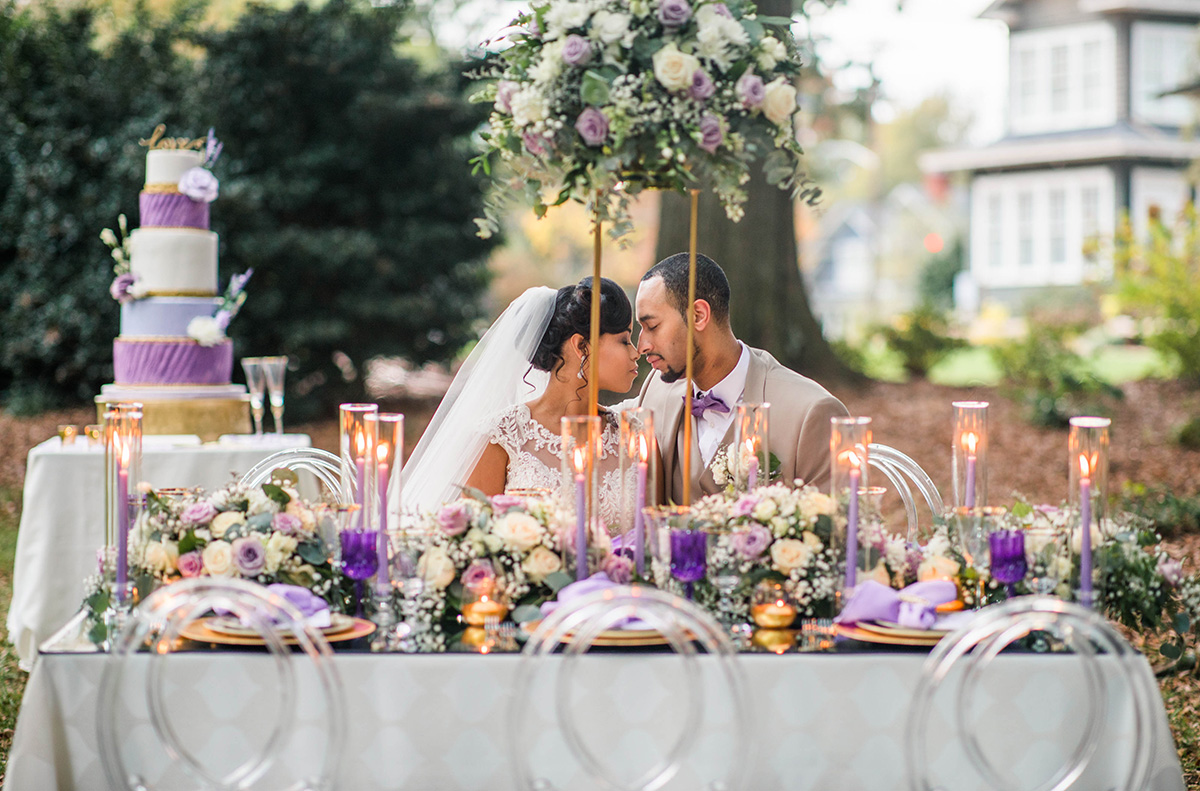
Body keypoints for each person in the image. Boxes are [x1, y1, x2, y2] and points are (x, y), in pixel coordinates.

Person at [403, 278, 641, 525]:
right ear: (581, 345)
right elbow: (475, 543)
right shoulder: (500, 437)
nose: (637, 352)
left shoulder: (635, 435)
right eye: (624, 341)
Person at [631, 252, 848, 502]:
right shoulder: (656, 391)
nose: (642, 345)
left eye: (652, 326)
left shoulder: (812, 412)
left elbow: (836, 531)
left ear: (699, 315)